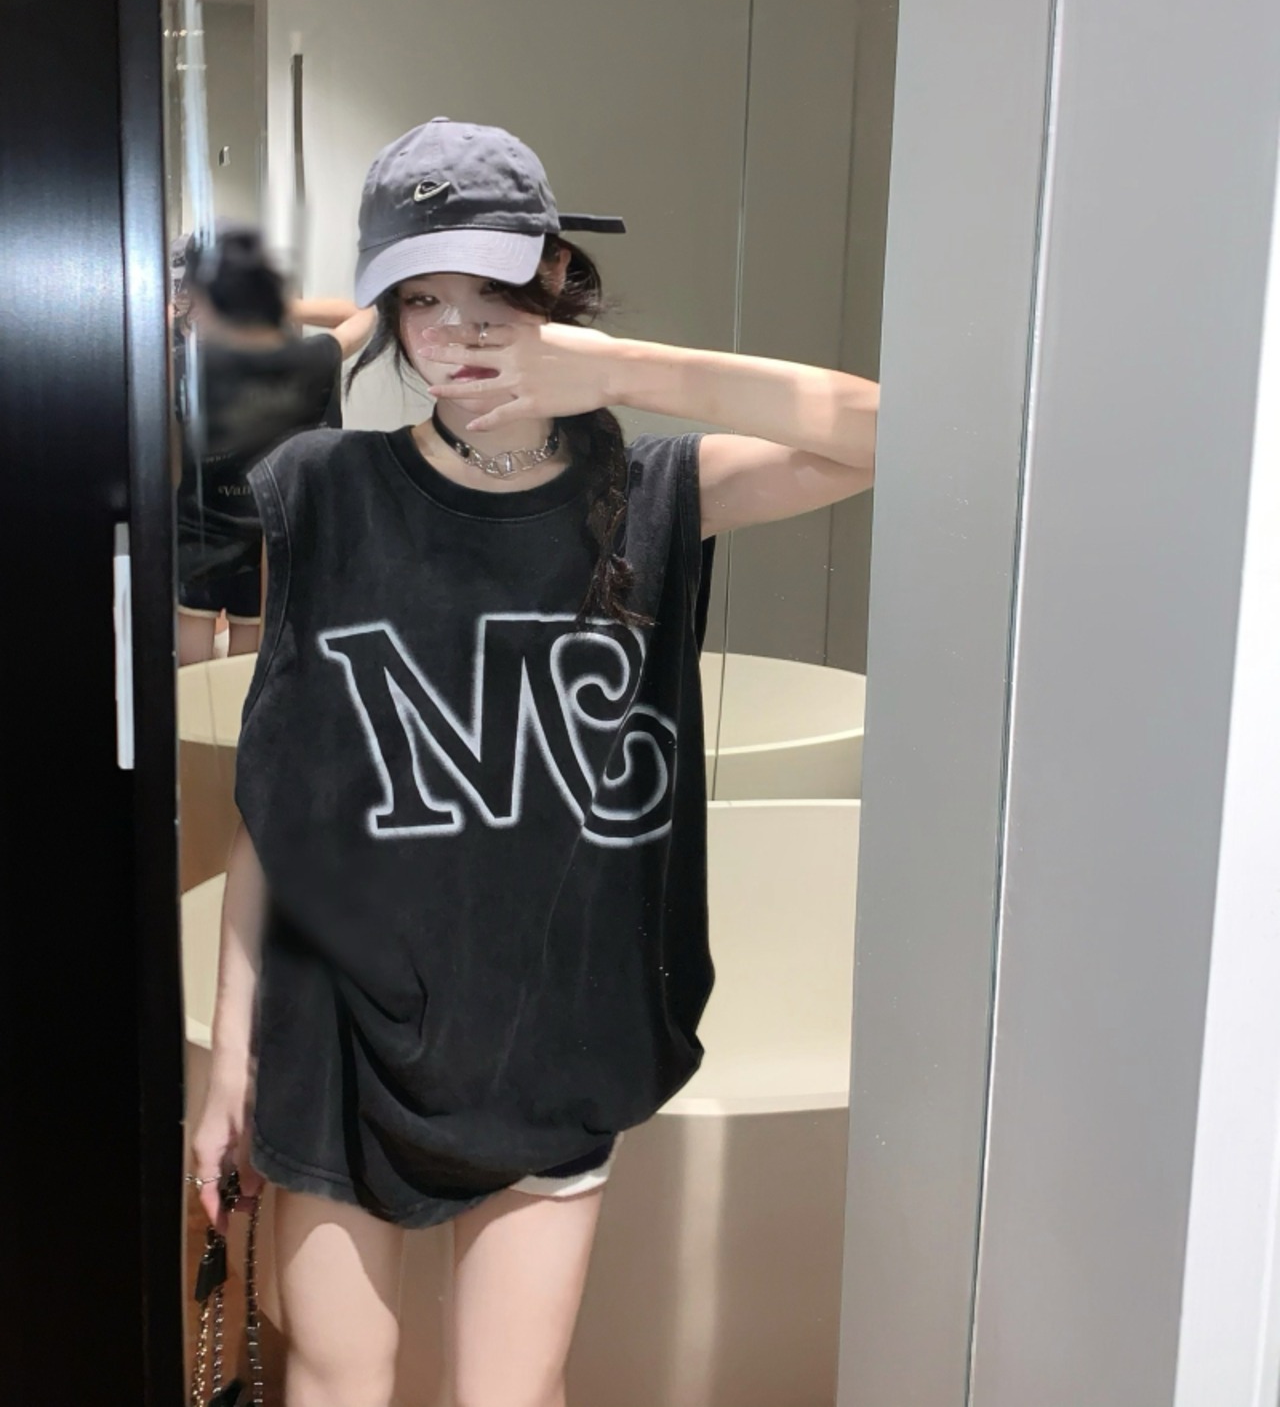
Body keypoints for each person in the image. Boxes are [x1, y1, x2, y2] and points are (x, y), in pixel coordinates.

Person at [191, 119, 879, 1407]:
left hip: (550, 1027)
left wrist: (619, 370)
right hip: (335, 1027)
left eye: (492, 293)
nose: (458, 333)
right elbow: (280, 804)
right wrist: (232, 1056)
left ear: (553, 280)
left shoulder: (656, 494)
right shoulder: (324, 492)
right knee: (338, 1380)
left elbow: (889, 431)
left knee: (510, 1392)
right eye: (421, 299)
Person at [174, 223, 375, 665]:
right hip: (265, 535)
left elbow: (165, 455)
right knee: (245, 667)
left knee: (189, 674)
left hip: (199, 533)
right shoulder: (305, 361)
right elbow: (363, 313)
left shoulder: (185, 365)